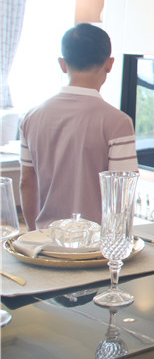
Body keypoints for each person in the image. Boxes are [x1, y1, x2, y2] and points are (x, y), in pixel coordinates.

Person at [18, 23, 137, 230]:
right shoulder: (118, 122)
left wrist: (32, 234)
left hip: (45, 240)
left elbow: (26, 183)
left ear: (62, 64)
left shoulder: (31, 117)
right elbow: (121, 197)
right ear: (109, 64)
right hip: (96, 243)